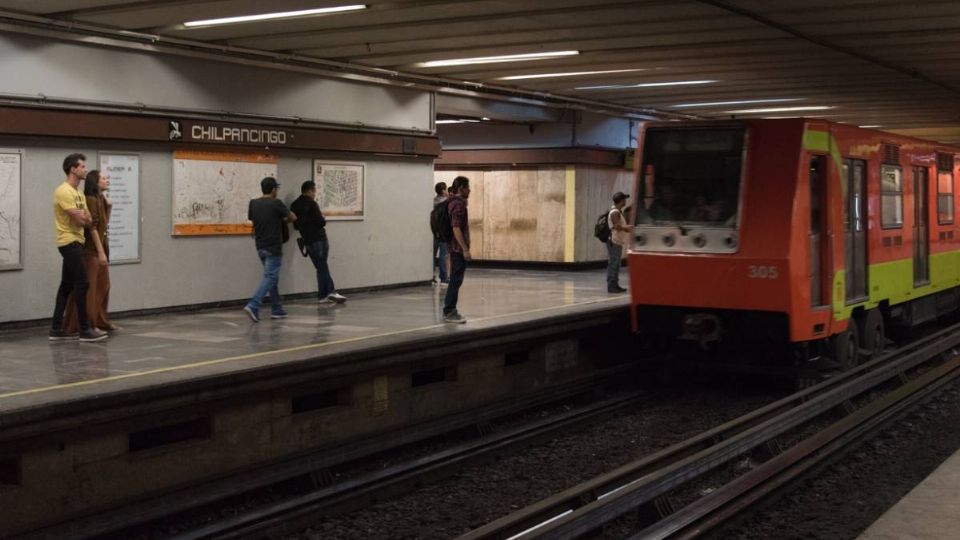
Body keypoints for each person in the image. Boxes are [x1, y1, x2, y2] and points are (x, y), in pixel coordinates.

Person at [49, 153, 108, 342]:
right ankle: (85, 330)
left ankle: (56, 329)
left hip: (77, 241)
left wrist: (85, 217)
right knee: (82, 283)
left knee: (66, 286)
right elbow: (81, 219)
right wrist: (84, 217)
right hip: (68, 241)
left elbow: (89, 220)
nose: (85, 169)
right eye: (82, 166)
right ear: (73, 169)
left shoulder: (78, 194)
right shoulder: (63, 191)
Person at [63, 169, 117, 333]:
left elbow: (103, 225)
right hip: (90, 250)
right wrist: (100, 252)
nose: (107, 180)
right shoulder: (91, 200)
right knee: (91, 289)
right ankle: (87, 324)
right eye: (103, 178)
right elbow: (92, 228)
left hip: (99, 249)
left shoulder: (99, 200)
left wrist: (109, 206)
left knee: (103, 285)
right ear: (95, 181)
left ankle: (100, 321)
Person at [243, 177, 297, 322]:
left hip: (260, 245)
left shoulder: (253, 203)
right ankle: (254, 304)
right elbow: (292, 217)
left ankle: (277, 309)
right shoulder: (276, 203)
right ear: (273, 189)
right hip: (273, 246)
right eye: (276, 189)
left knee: (272, 276)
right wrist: (284, 220)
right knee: (270, 277)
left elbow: (253, 219)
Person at [290, 181, 347, 305]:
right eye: (314, 191)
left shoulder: (294, 205)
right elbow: (321, 222)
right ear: (310, 190)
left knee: (320, 267)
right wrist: (323, 217)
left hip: (307, 240)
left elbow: (295, 225)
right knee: (322, 266)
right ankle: (330, 292)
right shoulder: (312, 204)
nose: (315, 194)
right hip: (319, 239)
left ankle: (323, 295)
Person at [443, 176, 471, 323]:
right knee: (455, 279)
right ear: (461, 188)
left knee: (456, 279)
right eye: (467, 187)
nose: (470, 190)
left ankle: (449, 310)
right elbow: (456, 227)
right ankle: (449, 311)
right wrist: (464, 249)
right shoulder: (458, 205)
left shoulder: (452, 202)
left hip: (453, 247)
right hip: (456, 249)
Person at [607, 191, 631, 293]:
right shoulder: (615, 212)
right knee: (614, 263)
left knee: (616, 263)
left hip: (617, 241)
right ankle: (612, 286)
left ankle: (615, 284)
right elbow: (617, 226)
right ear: (621, 201)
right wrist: (627, 228)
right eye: (624, 199)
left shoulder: (617, 211)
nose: (625, 201)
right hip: (614, 241)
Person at [432, 181, 449, 285]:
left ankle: (431, 276)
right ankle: (443, 277)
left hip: (434, 231)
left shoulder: (433, 201)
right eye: (446, 189)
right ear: (443, 191)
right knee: (443, 255)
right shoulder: (447, 202)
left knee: (432, 256)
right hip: (443, 232)